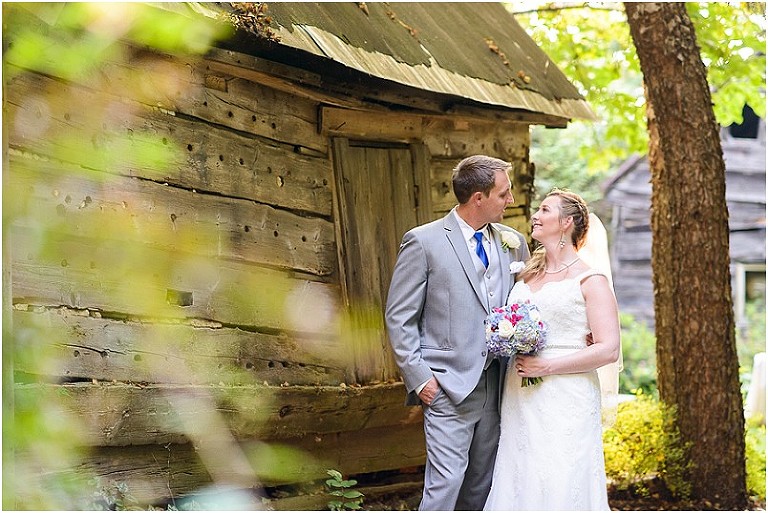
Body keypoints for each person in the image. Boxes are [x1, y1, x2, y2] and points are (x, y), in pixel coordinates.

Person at [385, 155, 530, 510]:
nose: (510, 200)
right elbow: (399, 316)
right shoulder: (423, 242)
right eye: (503, 194)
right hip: (447, 387)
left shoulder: (513, 241)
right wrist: (421, 380)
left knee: (481, 486)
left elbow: (529, 305)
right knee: (445, 485)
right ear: (478, 198)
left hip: (498, 385)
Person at [484, 188, 621, 511]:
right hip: (520, 392)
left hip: (567, 394)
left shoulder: (591, 279)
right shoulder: (526, 272)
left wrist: (545, 367)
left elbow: (608, 349)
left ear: (567, 222)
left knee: (562, 473)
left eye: (545, 210)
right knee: (521, 471)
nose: (535, 215)